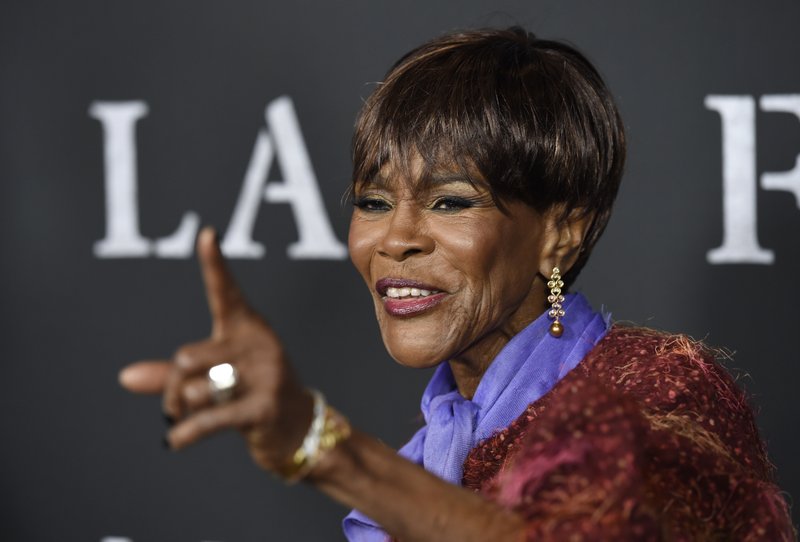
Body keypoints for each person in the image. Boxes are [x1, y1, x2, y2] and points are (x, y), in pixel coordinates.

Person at [119, 27, 795, 541]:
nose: (395, 239)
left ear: (561, 233)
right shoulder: (434, 452)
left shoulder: (661, 391)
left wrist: (320, 443)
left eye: (450, 202)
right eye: (374, 202)